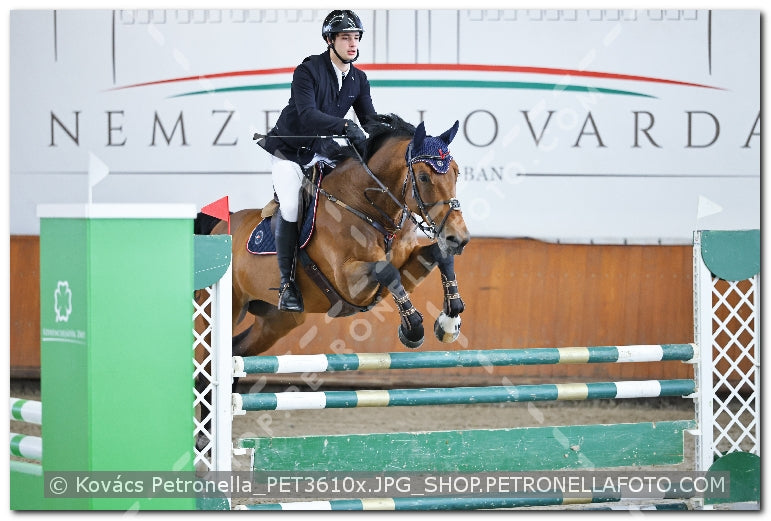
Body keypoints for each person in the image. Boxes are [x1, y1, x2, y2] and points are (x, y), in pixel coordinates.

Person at [257, 9, 376, 313]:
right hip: (289, 150)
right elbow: (308, 114)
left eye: (356, 37)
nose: (353, 43)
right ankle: (287, 285)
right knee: (293, 206)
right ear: (330, 40)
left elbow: (370, 120)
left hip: (321, 148)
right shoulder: (307, 71)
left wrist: (395, 132)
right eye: (346, 37)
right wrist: (344, 127)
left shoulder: (358, 79)